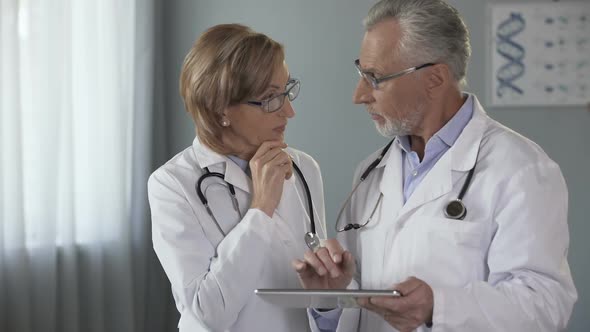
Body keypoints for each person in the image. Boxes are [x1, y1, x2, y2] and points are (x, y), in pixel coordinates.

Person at [292, 1, 577, 331]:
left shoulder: (521, 169)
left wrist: (439, 308)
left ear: (435, 78)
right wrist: (331, 298)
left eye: (375, 78)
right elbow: (362, 310)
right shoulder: (371, 172)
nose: (359, 95)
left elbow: (544, 305)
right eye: (362, 74)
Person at [148, 24, 327, 331]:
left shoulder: (303, 167)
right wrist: (260, 210)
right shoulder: (172, 185)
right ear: (220, 110)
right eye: (271, 98)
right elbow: (206, 314)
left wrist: (330, 291)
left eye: (286, 91)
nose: (289, 112)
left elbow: (314, 296)